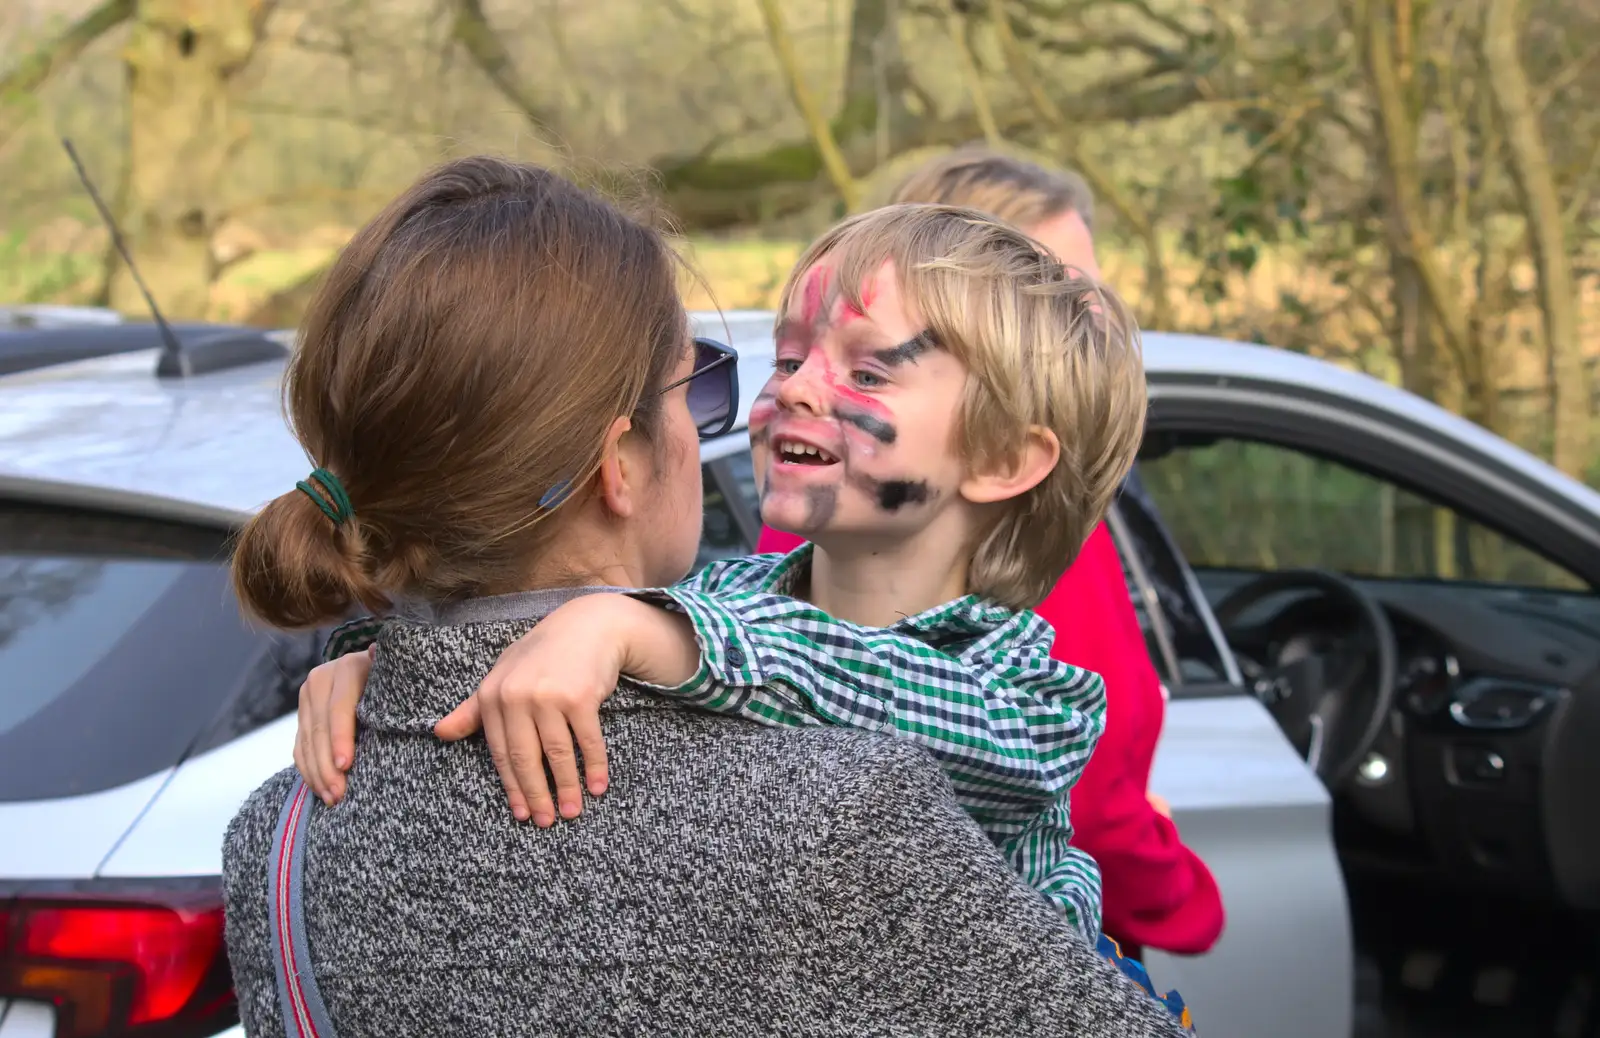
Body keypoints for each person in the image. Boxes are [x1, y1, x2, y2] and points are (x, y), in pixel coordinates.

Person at [222, 156, 1193, 1038]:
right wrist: (383, 663)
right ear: (619, 464)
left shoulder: (1023, 687)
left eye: (863, 371)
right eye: (783, 358)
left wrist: (628, 633)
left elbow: (925, 716)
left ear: (1004, 460)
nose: (793, 392)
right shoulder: (735, 655)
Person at [757, 146, 1226, 959]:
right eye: (1057, 283)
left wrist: (650, 638)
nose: (1093, 318)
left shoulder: (1015, 687)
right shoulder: (838, 529)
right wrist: (1187, 904)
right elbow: (1100, 808)